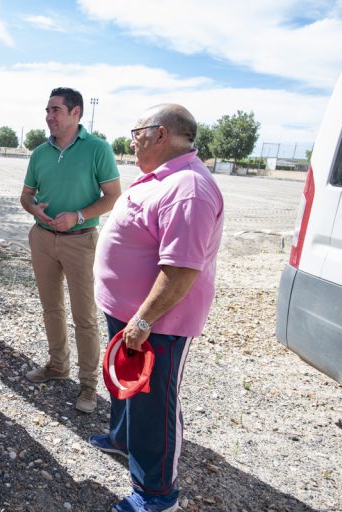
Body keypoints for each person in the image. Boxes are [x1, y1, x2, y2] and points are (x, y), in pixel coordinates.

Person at [89, 104, 224, 512]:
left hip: (156, 324)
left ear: (160, 134)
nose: (131, 140)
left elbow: (181, 270)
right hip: (130, 314)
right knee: (124, 385)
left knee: (153, 403)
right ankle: (122, 439)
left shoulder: (189, 188)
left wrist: (143, 319)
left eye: (137, 131)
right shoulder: (161, 178)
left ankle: (156, 493)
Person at [20, 87, 121, 413]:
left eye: (56, 110)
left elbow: (112, 197)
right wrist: (35, 210)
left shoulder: (98, 149)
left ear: (76, 113)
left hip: (81, 241)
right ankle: (57, 365)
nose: (49, 116)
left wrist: (77, 215)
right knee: (51, 308)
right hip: (42, 238)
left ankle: (89, 386)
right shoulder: (39, 153)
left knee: (84, 317)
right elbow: (26, 196)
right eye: (47, 110)